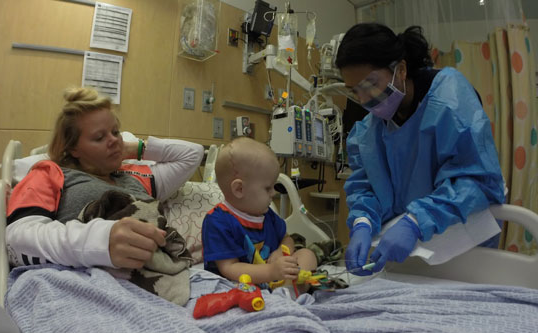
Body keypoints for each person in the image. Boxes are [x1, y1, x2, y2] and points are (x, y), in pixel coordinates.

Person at [335, 23, 505, 275]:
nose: (364, 99)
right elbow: (366, 186)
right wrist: (362, 222)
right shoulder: (369, 132)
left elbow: (475, 181)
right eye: (354, 91)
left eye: (370, 84)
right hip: (410, 246)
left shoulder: (449, 101)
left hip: (461, 233)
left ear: (400, 69)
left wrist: (415, 222)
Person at [6, 87, 204, 270]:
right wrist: (100, 242)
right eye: (99, 138)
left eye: (115, 132)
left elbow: (193, 154)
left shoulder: (135, 176)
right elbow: (17, 240)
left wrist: (132, 148)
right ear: (73, 148)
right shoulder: (50, 173)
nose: (113, 141)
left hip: (156, 277)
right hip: (85, 278)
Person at [201, 137, 317, 293]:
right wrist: (270, 271)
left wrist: (281, 252)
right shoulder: (218, 222)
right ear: (239, 189)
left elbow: (286, 238)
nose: (273, 193)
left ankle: (288, 291)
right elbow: (229, 268)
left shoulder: (266, 214)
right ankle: (287, 293)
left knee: (306, 254)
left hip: (277, 276)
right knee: (229, 287)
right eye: (268, 188)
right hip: (244, 284)